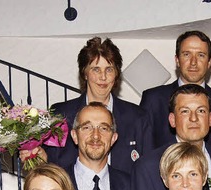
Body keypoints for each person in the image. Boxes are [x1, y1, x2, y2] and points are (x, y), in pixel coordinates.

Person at [25, 37, 152, 175]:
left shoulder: (137, 117)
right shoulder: (61, 115)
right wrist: (40, 158)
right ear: (85, 73)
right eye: (96, 69)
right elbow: (52, 167)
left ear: (116, 74)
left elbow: (147, 170)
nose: (103, 77)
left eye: (109, 69)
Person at [140, 30, 211, 164]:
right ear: (177, 60)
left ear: (209, 62)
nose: (193, 62)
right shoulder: (153, 100)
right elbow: (145, 154)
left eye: (201, 55)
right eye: (187, 54)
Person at [131, 84, 211, 190]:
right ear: (172, 120)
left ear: (210, 119)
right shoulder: (148, 166)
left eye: (201, 111)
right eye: (185, 111)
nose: (193, 118)